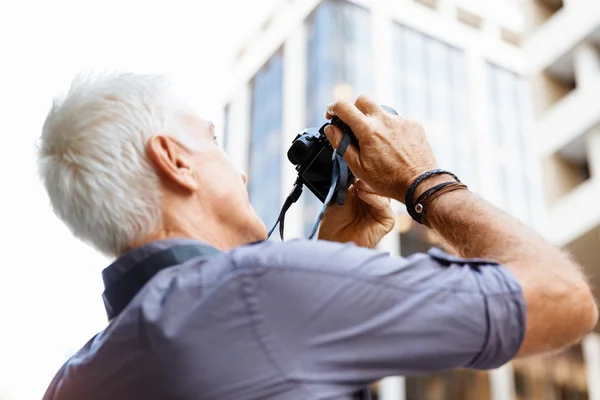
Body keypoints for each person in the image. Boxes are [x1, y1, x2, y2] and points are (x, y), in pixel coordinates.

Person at [38, 73, 597, 400]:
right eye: (213, 142)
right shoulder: (259, 290)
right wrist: (422, 180)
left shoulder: (71, 381)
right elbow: (562, 300)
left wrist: (331, 262)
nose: (241, 173)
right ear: (174, 160)